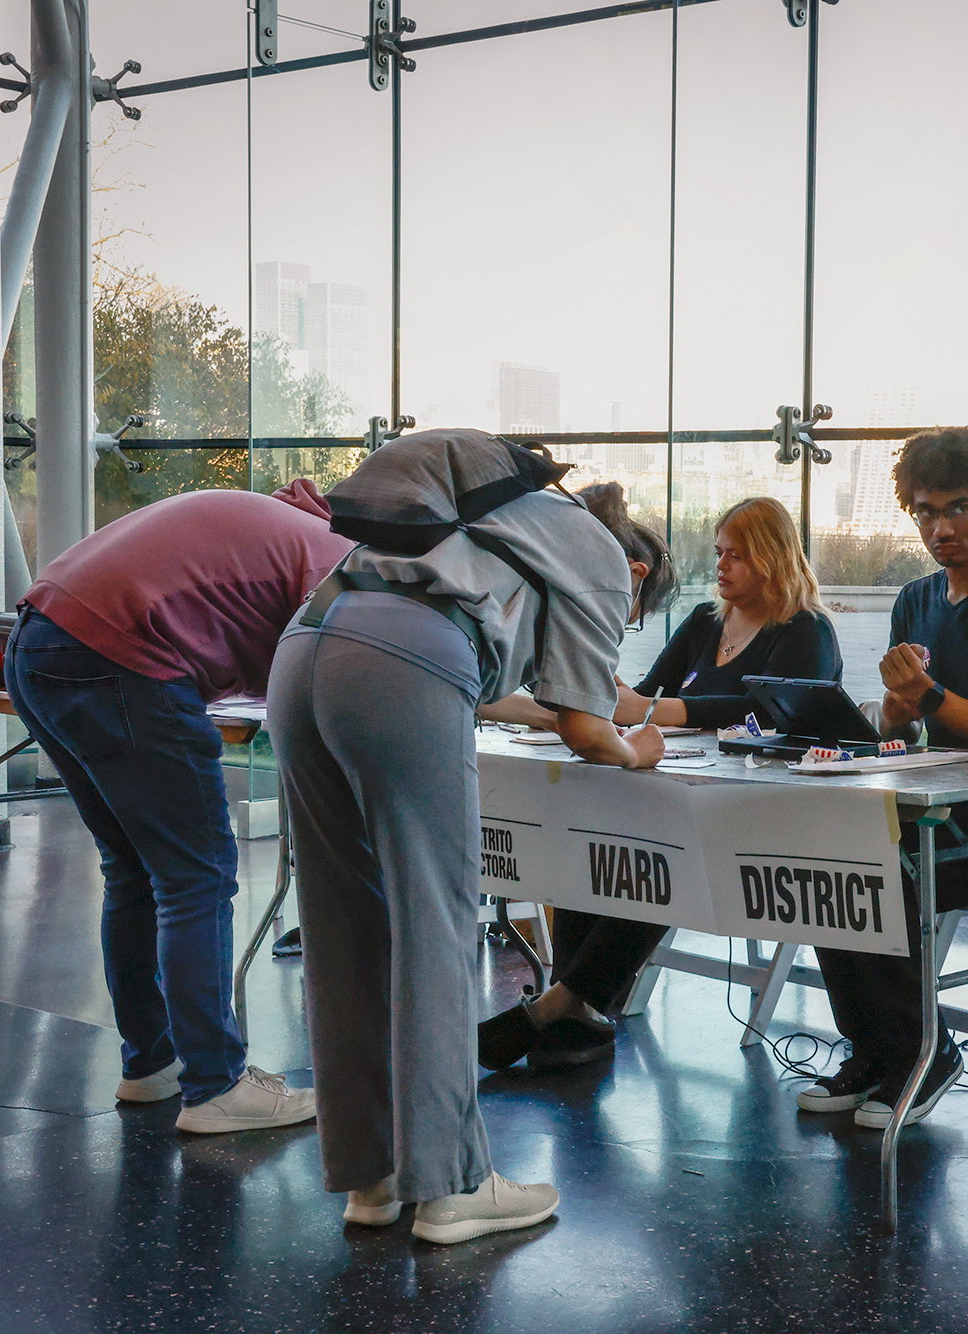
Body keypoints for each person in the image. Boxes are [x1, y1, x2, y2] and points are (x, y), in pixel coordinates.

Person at [268, 429, 676, 1246]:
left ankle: (371, 1181)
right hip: (404, 660)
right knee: (436, 924)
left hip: (306, 647)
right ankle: (453, 1188)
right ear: (635, 579)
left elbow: (491, 683)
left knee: (343, 926)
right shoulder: (597, 558)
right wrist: (642, 748)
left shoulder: (503, 525)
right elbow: (589, 729)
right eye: (629, 623)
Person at [4, 481, 351, 1132]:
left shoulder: (279, 523)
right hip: (118, 655)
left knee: (134, 868)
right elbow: (331, 675)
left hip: (36, 644)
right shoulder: (336, 557)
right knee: (199, 875)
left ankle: (154, 1063)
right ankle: (216, 1085)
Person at [476, 494, 842, 1071]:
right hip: (676, 784)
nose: (721, 566)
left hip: (761, 808)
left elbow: (773, 708)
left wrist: (657, 709)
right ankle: (578, 1009)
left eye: (737, 556)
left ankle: (565, 1003)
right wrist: (621, 701)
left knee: (660, 855)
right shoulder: (703, 622)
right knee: (598, 828)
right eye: (720, 553)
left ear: (772, 558)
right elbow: (643, 695)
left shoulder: (806, 629)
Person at [799, 427, 968, 1129]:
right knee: (830, 868)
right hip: (931, 812)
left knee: (879, 871)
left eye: (958, 508)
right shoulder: (915, 600)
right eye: (925, 511)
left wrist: (931, 697)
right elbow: (904, 735)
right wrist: (894, 712)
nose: (940, 527)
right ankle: (877, 1049)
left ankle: (927, 1051)